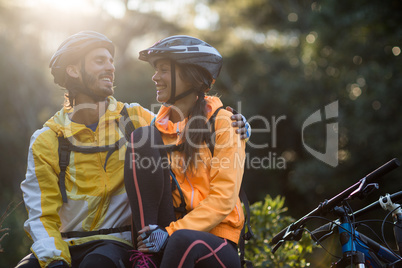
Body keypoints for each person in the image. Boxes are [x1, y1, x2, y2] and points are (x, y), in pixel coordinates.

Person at [16, 31, 249, 268]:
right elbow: (41, 215)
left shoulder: (134, 119)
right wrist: (54, 260)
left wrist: (237, 126)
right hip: (65, 243)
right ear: (74, 71)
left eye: (111, 61)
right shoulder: (47, 140)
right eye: (100, 61)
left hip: (119, 243)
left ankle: (146, 256)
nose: (111, 68)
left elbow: (193, 121)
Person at [124, 35, 246, 267]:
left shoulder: (224, 123)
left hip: (217, 243)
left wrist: (170, 233)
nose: (155, 77)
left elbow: (223, 201)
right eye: (155, 70)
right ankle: (145, 255)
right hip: (171, 236)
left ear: (189, 75)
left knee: (182, 241)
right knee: (140, 138)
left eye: (163, 69)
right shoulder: (156, 131)